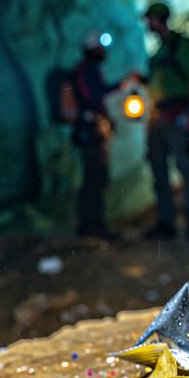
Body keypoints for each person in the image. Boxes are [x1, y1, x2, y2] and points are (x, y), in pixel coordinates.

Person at [133, 1, 189, 240]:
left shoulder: (180, 45)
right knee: (159, 171)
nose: (147, 24)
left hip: (176, 115)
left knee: (185, 167)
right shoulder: (158, 54)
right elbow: (156, 85)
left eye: (150, 19)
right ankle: (167, 223)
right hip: (157, 118)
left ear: (159, 19)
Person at [69, 30, 121, 240]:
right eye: (100, 48)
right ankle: (91, 226)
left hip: (91, 129)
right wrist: (121, 84)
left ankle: (93, 224)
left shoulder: (87, 70)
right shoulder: (85, 70)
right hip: (90, 130)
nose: (103, 52)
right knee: (94, 177)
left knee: (96, 177)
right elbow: (95, 95)